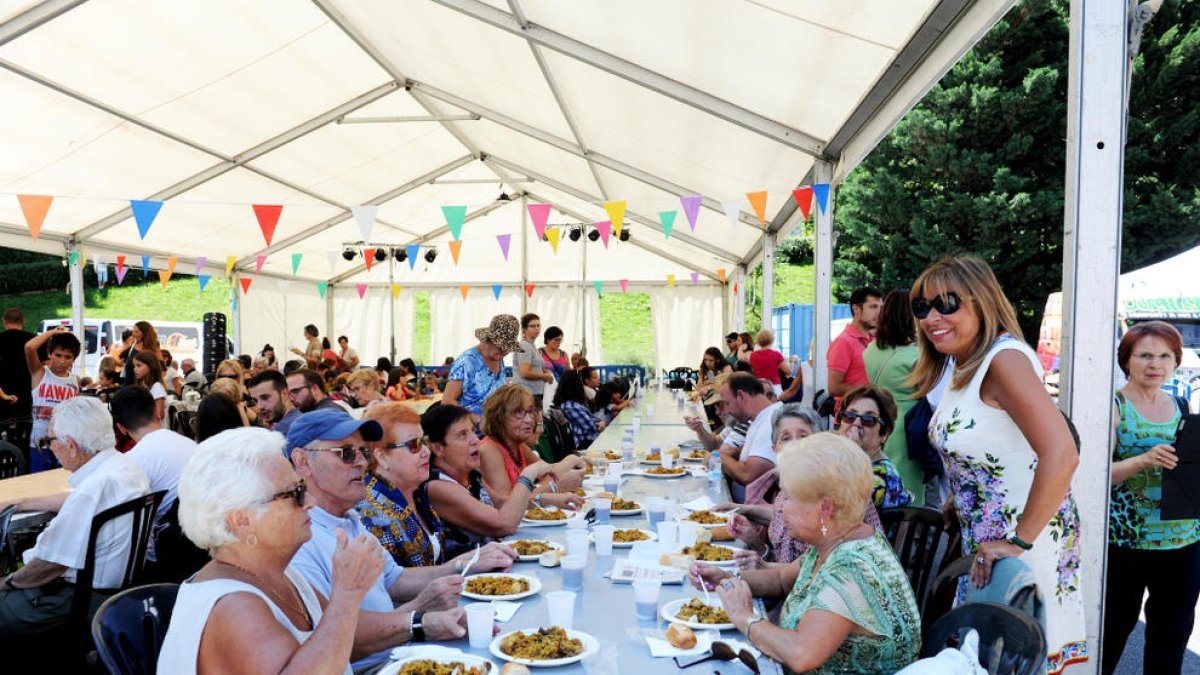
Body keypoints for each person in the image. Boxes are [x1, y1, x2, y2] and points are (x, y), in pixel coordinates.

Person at [913, 255, 1085, 672]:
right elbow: (991, 443)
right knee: (986, 655)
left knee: (1018, 657)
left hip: (1025, 540)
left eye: (947, 303)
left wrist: (1020, 541)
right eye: (922, 307)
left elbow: (1063, 453)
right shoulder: (965, 364)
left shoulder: (1003, 359)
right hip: (991, 539)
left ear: (981, 300)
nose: (932, 317)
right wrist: (961, 491)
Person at [692, 433, 920, 674]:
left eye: (788, 497)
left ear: (825, 508)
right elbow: (781, 580)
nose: (779, 507)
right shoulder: (841, 537)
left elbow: (800, 655)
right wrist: (723, 578)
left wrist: (744, 617)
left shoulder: (852, 569)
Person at [157, 426, 379, 674]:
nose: (310, 502)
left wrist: (420, 621)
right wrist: (347, 594)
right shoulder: (233, 607)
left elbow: (344, 635)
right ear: (242, 520)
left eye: (303, 488)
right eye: (295, 494)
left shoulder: (278, 572)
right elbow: (339, 624)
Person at [285, 410, 471, 671]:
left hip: (400, 654)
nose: (362, 462)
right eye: (347, 453)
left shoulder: (349, 516)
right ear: (303, 461)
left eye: (365, 452)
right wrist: (418, 616)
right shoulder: (299, 538)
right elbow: (334, 637)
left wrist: (465, 564)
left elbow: (393, 579)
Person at [0, 397, 149, 642]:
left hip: (76, 599)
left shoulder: (93, 488)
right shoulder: (123, 467)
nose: (48, 447)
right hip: (115, 591)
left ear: (71, 445)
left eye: (50, 440)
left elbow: (46, 567)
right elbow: (79, 499)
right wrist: (24, 502)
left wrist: (7, 582)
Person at [1103, 321, 1198, 675]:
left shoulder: (1181, 405)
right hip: (1126, 542)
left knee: (1170, 640)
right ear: (1126, 360)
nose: (1154, 364)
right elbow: (1095, 476)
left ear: (1176, 361)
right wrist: (1143, 459)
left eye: (1164, 356)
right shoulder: (1114, 406)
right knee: (1110, 632)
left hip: (1184, 539)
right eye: (1144, 355)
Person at [357, 403, 518, 572]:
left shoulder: (415, 492)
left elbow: (437, 566)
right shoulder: (373, 511)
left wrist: (478, 556)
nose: (426, 451)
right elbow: (393, 585)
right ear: (381, 457)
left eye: (423, 442)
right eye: (414, 445)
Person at [422, 404, 559, 557]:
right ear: (438, 449)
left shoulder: (470, 474)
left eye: (473, 431)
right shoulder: (438, 486)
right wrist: (528, 475)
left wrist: (547, 499)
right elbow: (504, 524)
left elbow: (502, 503)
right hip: (469, 576)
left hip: (495, 562)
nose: (474, 440)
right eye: (462, 434)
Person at [110, 386, 196, 563]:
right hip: (204, 545)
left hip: (167, 557)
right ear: (157, 414)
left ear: (121, 428)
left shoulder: (132, 462)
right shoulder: (191, 444)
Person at [477, 385, 587, 509]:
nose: (529, 420)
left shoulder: (518, 445)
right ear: (499, 417)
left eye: (530, 412)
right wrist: (555, 488)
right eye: (519, 413)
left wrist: (573, 461)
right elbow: (507, 504)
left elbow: (549, 473)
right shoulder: (489, 449)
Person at [863, 288, 924, 505]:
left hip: (879, 422)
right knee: (908, 490)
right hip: (907, 429)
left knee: (882, 486)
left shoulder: (870, 350)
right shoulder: (916, 356)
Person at [838, 385, 911, 509]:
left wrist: (851, 453)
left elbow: (839, 506)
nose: (856, 424)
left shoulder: (882, 477)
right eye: (850, 416)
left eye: (868, 420)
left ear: (884, 434)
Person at [442, 314, 520, 422]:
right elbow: (447, 401)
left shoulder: (498, 358)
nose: (505, 351)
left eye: (508, 348)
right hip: (470, 433)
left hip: (494, 430)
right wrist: (477, 420)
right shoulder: (467, 361)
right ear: (488, 340)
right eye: (501, 346)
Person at [717, 373, 781, 502]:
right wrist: (737, 452)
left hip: (755, 516)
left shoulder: (770, 422)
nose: (726, 411)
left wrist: (719, 457)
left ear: (741, 396)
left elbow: (749, 475)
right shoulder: (760, 418)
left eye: (727, 403)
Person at [25, 328, 81, 472]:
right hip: (40, 445)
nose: (62, 361)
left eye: (67, 357)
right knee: (39, 485)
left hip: (66, 444)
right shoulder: (40, 372)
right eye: (58, 355)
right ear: (50, 354)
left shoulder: (75, 380)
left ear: (74, 359)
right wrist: (53, 333)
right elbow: (29, 347)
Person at [827, 286, 882, 399]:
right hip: (852, 413)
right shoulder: (843, 342)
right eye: (873, 307)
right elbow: (834, 387)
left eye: (881, 307)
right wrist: (870, 391)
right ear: (856, 309)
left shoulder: (874, 338)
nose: (879, 312)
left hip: (872, 412)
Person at [0, 308, 35, 432]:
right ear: (23, 321)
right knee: (25, 433)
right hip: (29, 396)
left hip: (2, 396)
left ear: (4, 321)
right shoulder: (34, 341)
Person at [552, 369, 603, 449]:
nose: (582, 385)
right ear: (575, 385)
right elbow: (591, 426)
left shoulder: (574, 403)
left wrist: (599, 421)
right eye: (580, 382)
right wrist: (600, 424)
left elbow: (590, 417)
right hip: (584, 443)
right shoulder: (570, 406)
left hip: (588, 439)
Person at [512, 313, 554, 404]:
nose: (536, 328)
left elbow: (534, 369)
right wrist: (545, 376)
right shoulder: (524, 346)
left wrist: (544, 372)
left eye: (538, 325)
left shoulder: (531, 346)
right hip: (527, 392)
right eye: (532, 326)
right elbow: (524, 372)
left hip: (533, 391)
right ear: (524, 329)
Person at [248, 370, 300, 437]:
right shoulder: (300, 417)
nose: (259, 406)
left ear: (284, 394)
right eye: (255, 400)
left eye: (265, 398)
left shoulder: (280, 432)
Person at [121, 321, 163, 386]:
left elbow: (162, 368)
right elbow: (121, 358)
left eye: (136, 332)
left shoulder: (154, 347)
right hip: (128, 386)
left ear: (145, 333)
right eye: (133, 331)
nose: (133, 334)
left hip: (144, 388)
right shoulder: (132, 344)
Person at [749, 330, 790, 395]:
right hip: (774, 387)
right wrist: (793, 362)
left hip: (759, 387)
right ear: (772, 340)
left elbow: (752, 372)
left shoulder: (753, 355)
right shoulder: (776, 354)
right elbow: (788, 371)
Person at [132, 351, 167, 422]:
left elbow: (159, 414)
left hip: (156, 430)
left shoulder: (157, 387)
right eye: (134, 366)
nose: (135, 369)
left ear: (150, 366)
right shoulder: (143, 386)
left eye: (139, 365)